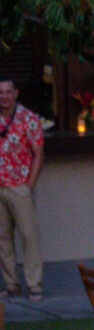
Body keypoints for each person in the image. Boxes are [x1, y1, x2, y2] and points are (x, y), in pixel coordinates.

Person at [0, 75, 47, 298]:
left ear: (15, 93)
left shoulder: (28, 118)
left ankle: (34, 285)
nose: (4, 97)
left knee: (29, 237)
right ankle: (11, 284)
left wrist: (30, 184)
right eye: (0, 93)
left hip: (20, 185)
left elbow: (39, 153)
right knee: (3, 239)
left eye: (8, 92)